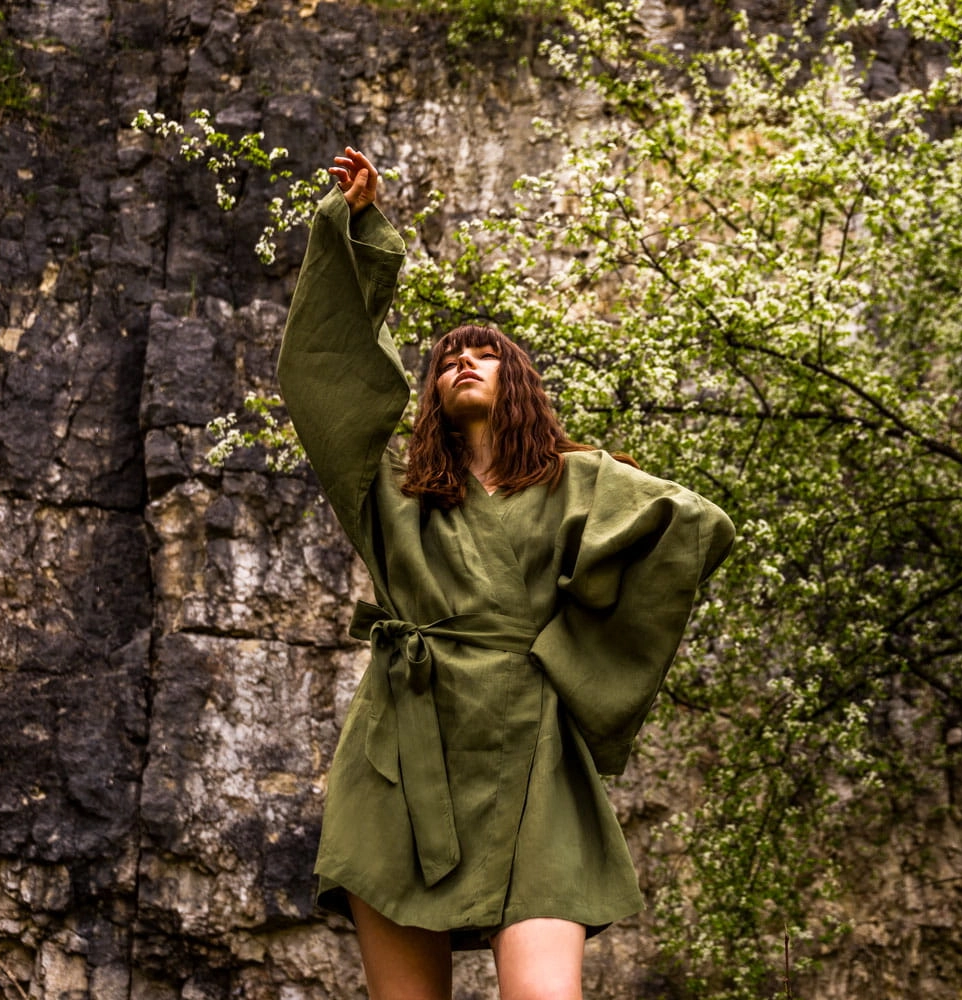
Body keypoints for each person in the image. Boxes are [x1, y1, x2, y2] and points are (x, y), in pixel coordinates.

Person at [276, 146, 735, 1000]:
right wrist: (358, 234)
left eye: (483, 353)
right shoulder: (390, 489)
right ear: (432, 395)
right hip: (402, 754)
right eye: (448, 358)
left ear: (516, 380)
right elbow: (325, 380)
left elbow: (693, 526)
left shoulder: (580, 480)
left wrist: (572, 658)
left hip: (534, 757)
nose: (462, 361)